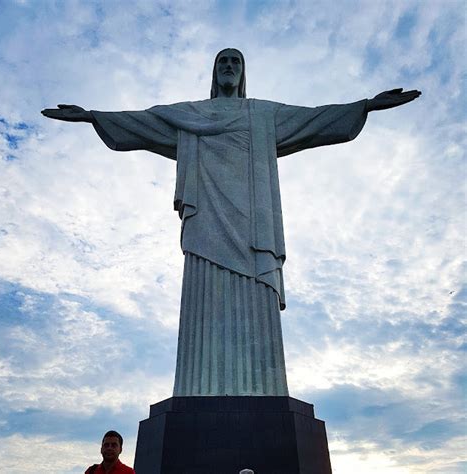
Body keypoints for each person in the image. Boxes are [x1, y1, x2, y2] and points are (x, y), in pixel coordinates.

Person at [42, 49, 421, 398]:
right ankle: (196, 387)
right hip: (206, 224)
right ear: (213, 72)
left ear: (242, 73)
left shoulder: (263, 115)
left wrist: (367, 106)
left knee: (256, 303)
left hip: (253, 229)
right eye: (222, 61)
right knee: (204, 303)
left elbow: (316, 118)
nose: (228, 66)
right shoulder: (188, 115)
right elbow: (144, 122)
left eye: (235, 62)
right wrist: (93, 116)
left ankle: (264, 390)